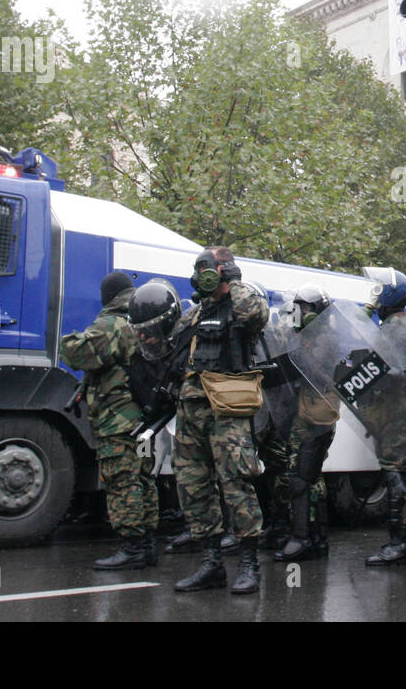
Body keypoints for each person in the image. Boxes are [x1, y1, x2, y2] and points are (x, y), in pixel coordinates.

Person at [171, 247, 270, 594]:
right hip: (191, 408)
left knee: (236, 484)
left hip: (228, 409)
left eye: (207, 270)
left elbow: (255, 313)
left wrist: (233, 279)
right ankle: (211, 563)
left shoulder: (243, 306)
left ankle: (249, 564)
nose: (201, 276)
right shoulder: (194, 315)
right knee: (193, 487)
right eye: (198, 271)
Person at [59, 270, 160, 570]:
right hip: (144, 419)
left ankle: (132, 548)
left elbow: (75, 353)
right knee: (143, 478)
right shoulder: (144, 320)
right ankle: (148, 544)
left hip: (118, 421)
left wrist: (69, 337)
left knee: (121, 479)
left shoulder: (111, 324)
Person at [362, 266, 406, 566]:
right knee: (402, 473)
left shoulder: (395, 329)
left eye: (378, 289)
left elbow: (397, 372)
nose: (373, 294)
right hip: (397, 411)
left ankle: (399, 542)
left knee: (395, 473)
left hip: (395, 412)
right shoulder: (399, 325)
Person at [274, 284, 340, 563]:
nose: (300, 313)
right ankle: (316, 537)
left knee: (300, 477)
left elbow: (313, 372)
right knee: (311, 479)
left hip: (314, 417)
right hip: (308, 414)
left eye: (306, 308)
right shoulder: (311, 337)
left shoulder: (325, 338)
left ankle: (302, 539)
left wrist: (292, 343)